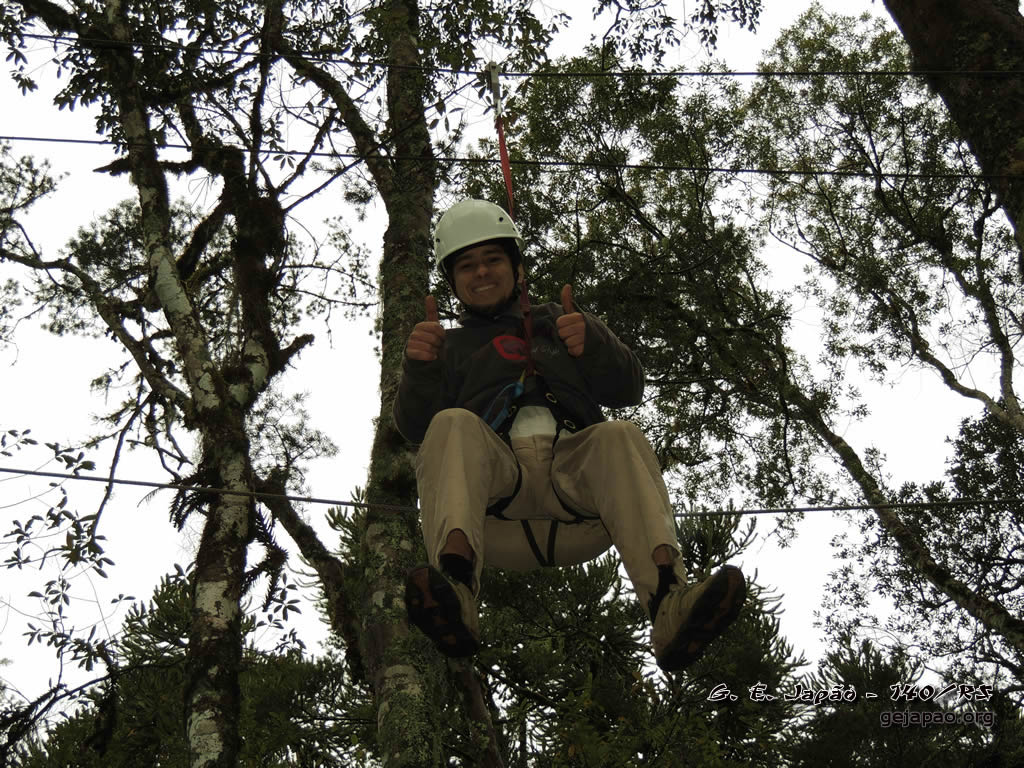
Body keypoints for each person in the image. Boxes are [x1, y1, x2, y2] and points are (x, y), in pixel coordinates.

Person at [394, 198, 745, 671]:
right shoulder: (447, 345)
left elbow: (628, 388)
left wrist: (592, 342)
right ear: (453, 282)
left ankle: (669, 602)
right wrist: (420, 369)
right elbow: (415, 428)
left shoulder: (559, 324)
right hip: (495, 510)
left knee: (619, 434)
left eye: (493, 259)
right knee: (450, 423)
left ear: (517, 268)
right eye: (467, 266)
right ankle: (454, 589)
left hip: (578, 498)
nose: (481, 273)